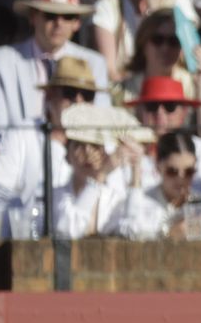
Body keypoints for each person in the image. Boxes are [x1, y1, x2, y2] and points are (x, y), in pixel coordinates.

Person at [0, 0, 110, 132]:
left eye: (68, 16)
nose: (58, 23)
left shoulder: (94, 63)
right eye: (50, 15)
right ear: (33, 17)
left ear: (77, 23)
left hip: (75, 154)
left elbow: (101, 125)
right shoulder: (1, 61)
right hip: (18, 154)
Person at [0, 56, 97, 204]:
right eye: (69, 92)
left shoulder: (103, 143)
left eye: (87, 95)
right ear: (50, 95)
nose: (79, 101)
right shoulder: (21, 133)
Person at [112, 8, 201, 128]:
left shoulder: (195, 83)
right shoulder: (122, 90)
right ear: (143, 43)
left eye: (174, 41)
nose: (165, 48)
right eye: (158, 40)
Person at [52, 102, 141, 238]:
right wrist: (101, 175)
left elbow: (133, 231)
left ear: (105, 153)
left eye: (95, 145)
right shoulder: (57, 197)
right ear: (68, 156)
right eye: (79, 146)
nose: (88, 153)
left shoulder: (113, 199)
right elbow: (69, 230)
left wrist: (136, 174)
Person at [124, 75, 201, 195]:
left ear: (184, 112)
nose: (160, 114)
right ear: (139, 112)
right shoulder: (125, 153)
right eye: (152, 106)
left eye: (169, 106)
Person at [113, 130, 201, 240]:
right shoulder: (144, 201)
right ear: (158, 167)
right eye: (172, 171)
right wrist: (168, 234)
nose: (180, 179)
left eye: (189, 172)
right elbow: (129, 232)